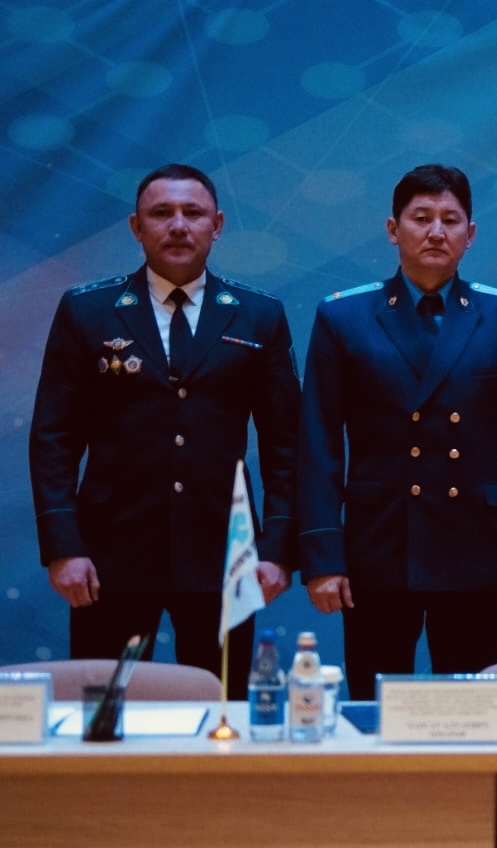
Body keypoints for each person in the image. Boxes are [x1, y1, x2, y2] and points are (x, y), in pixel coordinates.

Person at [30, 164, 299, 698]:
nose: (178, 225)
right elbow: (54, 438)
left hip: (225, 556)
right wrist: (63, 547)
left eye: (192, 213)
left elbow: (286, 445)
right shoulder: (88, 310)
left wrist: (276, 549)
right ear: (136, 226)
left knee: (224, 713)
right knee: (104, 714)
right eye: (161, 213)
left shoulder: (258, 316)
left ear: (216, 225)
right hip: (110, 554)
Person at [297, 164, 497, 700]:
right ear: (393, 229)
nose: (436, 232)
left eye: (450, 220)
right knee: (374, 710)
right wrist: (323, 556)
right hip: (378, 547)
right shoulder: (344, 317)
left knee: (473, 711)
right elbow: (318, 444)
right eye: (421, 218)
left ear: (470, 233)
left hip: (476, 549)